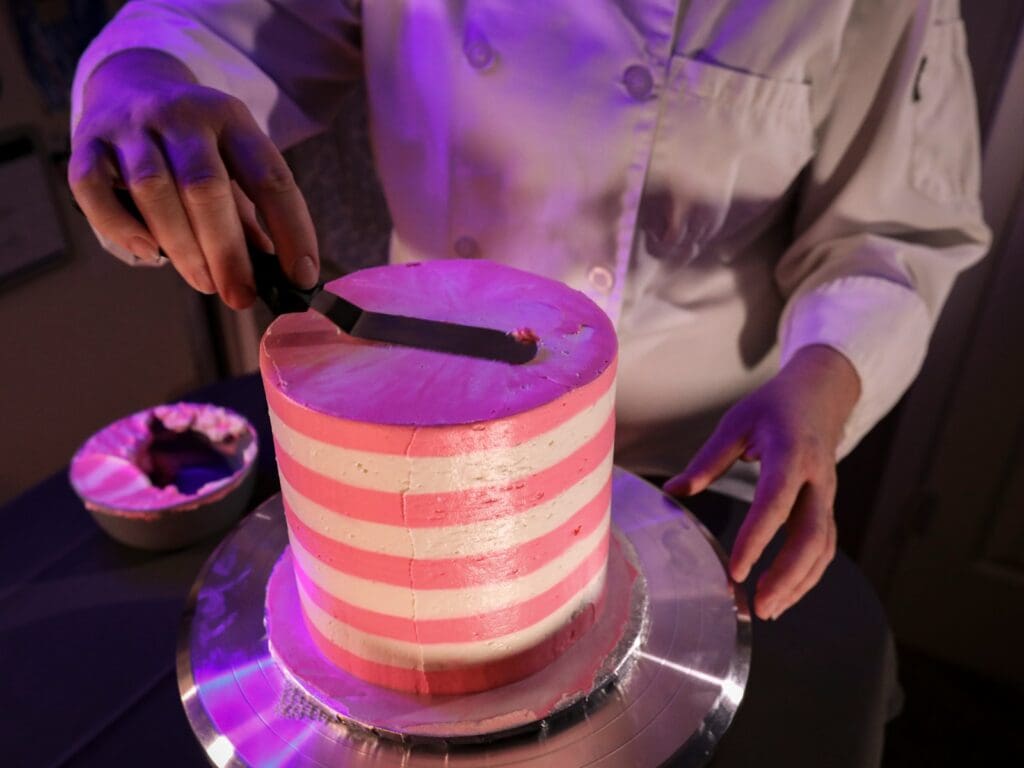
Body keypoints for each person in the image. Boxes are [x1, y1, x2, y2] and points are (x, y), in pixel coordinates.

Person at [68, 1, 990, 622]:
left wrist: (824, 391)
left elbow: (893, 232)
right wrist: (143, 78)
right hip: (416, 442)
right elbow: (219, 21)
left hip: (698, 466)